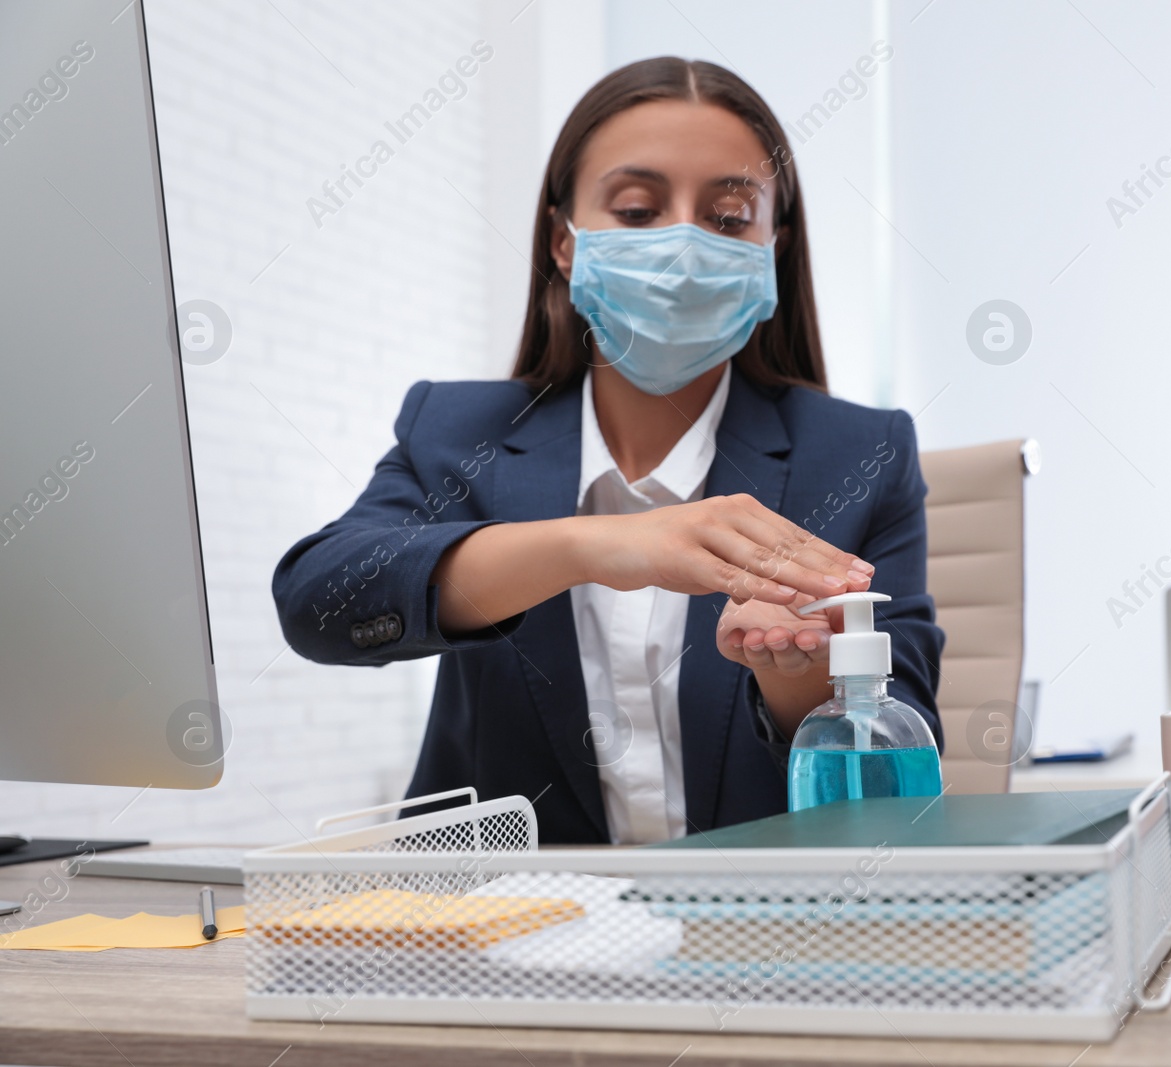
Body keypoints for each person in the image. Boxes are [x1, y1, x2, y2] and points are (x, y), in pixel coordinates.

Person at [272, 58, 943, 846]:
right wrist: (598, 544)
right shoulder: (456, 429)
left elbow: (906, 747)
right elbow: (318, 601)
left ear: (772, 250)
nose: (684, 245)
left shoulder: (862, 455)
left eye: (728, 217)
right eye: (635, 209)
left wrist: (795, 681)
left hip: (759, 940)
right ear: (565, 242)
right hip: (500, 938)